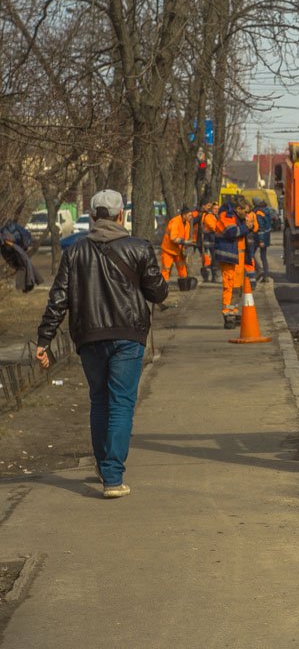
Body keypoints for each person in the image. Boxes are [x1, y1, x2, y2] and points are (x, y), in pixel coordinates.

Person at [34, 190, 168, 498]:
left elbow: (58, 299)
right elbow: (158, 293)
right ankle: (112, 477)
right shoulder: (139, 248)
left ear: (93, 217)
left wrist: (44, 339)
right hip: (128, 336)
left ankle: (104, 465)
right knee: (121, 403)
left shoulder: (75, 252)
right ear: (121, 215)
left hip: (89, 337)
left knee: (99, 401)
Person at [213, 198, 251, 328]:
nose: (246, 215)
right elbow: (231, 232)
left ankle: (233, 311)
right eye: (245, 212)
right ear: (238, 209)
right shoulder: (226, 216)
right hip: (229, 257)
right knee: (229, 285)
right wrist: (246, 227)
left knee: (237, 287)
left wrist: (247, 225)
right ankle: (227, 314)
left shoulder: (236, 216)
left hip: (238, 256)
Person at [1, 218, 42, 292]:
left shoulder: (7, 236)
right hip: (14, 248)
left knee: (23, 266)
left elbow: (8, 242)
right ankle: (30, 283)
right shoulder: (7, 234)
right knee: (24, 265)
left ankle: (26, 285)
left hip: (13, 248)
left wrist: (10, 244)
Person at [160, 205, 197, 289]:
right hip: (168, 250)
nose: (191, 217)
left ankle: (184, 285)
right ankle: (163, 287)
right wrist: (185, 242)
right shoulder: (175, 222)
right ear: (184, 215)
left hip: (178, 250)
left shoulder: (187, 224)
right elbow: (173, 238)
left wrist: (185, 249)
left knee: (182, 267)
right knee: (166, 269)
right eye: (189, 215)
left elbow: (185, 238)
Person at [252, 198, 277, 284]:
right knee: (263, 257)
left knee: (250, 254)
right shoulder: (266, 210)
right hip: (266, 236)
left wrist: (261, 240)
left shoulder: (258, 213)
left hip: (259, 237)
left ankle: (258, 270)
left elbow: (260, 228)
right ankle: (265, 276)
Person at [199, 201, 219, 283]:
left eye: (217, 209)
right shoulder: (209, 217)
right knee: (208, 259)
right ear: (211, 209)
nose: (216, 210)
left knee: (214, 259)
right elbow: (214, 227)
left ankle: (213, 276)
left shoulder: (215, 216)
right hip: (208, 241)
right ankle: (207, 276)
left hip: (213, 241)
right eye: (215, 208)